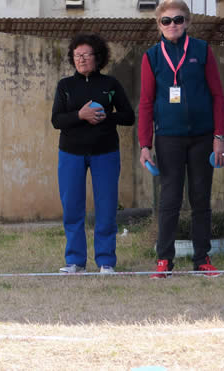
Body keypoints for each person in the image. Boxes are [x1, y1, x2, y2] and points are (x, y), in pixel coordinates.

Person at [138, 0, 224, 278]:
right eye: (166, 21)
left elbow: (218, 96)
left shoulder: (201, 50)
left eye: (178, 20)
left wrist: (219, 137)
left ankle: (202, 259)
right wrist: (145, 144)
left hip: (202, 137)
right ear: (159, 25)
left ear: (187, 22)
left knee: (200, 200)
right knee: (170, 200)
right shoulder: (151, 56)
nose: (173, 25)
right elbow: (146, 102)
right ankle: (164, 260)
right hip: (168, 139)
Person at [51, 33, 135, 274]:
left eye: (87, 55)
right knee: (72, 207)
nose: (82, 59)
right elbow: (56, 120)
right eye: (77, 55)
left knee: (106, 207)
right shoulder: (65, 86)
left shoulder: (110, 84)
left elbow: (128, 116)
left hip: (105, 152)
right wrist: (80, 115)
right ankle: (75, 261)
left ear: (98, 58)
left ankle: (106, 261)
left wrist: (104, 116)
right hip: (71, 153)